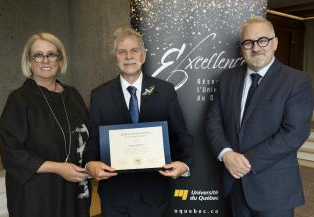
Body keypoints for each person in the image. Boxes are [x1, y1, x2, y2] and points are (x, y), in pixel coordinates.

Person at [206, 16, 314, 217]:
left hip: (274, 189)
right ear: (241, 47)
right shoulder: (227, 78)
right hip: (234, 185)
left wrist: (246, 162)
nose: (256, 48)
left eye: (262, 40)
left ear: (275, 43)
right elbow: (214, 122)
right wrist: (226, 154)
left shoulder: (296, 81)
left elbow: (294, 133)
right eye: (248, 42)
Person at [84, 26, 193, 217]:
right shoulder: (99, 96)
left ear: (143, 55)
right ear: (115, 58)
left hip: (154, 194)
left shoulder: (165, 91)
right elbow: (93, 140)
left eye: (134, 50)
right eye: (121, 51)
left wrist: (184, 164)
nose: (128, 56)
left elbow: (181, 135)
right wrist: (90, 164)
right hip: (114, 196)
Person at [0, 32, 91, 217]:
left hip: (75, 190)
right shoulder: (19, 99)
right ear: (29, 62)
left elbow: (89, 136)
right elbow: (11, 152)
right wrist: (57, 167)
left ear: (60, 60)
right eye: (38, 55)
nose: (45, 60)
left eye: (51, 54)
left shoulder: (73, 95)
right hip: (36, 195)